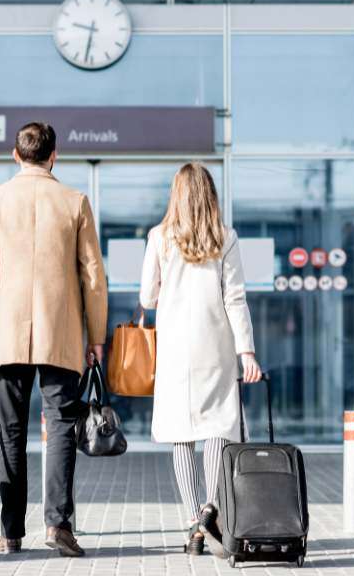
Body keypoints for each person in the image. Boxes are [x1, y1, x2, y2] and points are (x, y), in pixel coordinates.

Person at [0, 122, 107, 557]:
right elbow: (93, 276)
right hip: (60, 334)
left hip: (7, 336)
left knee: (10, 432)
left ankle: (11, 533)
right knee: (61, 426)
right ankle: (58, 525)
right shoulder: (74, 201)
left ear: (15, 155)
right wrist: (96, 336)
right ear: (54, 155)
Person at [139, 162, 262, 557]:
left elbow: (146, 297)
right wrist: (247, 352)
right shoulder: (225, 237)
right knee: (216, 430)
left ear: (176, 195)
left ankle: (194, 523)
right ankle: (211, 509)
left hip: (175, 350)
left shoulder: (159, 237)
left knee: (181, 434)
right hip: (216, 346)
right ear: (209, 195)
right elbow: (235, 299)